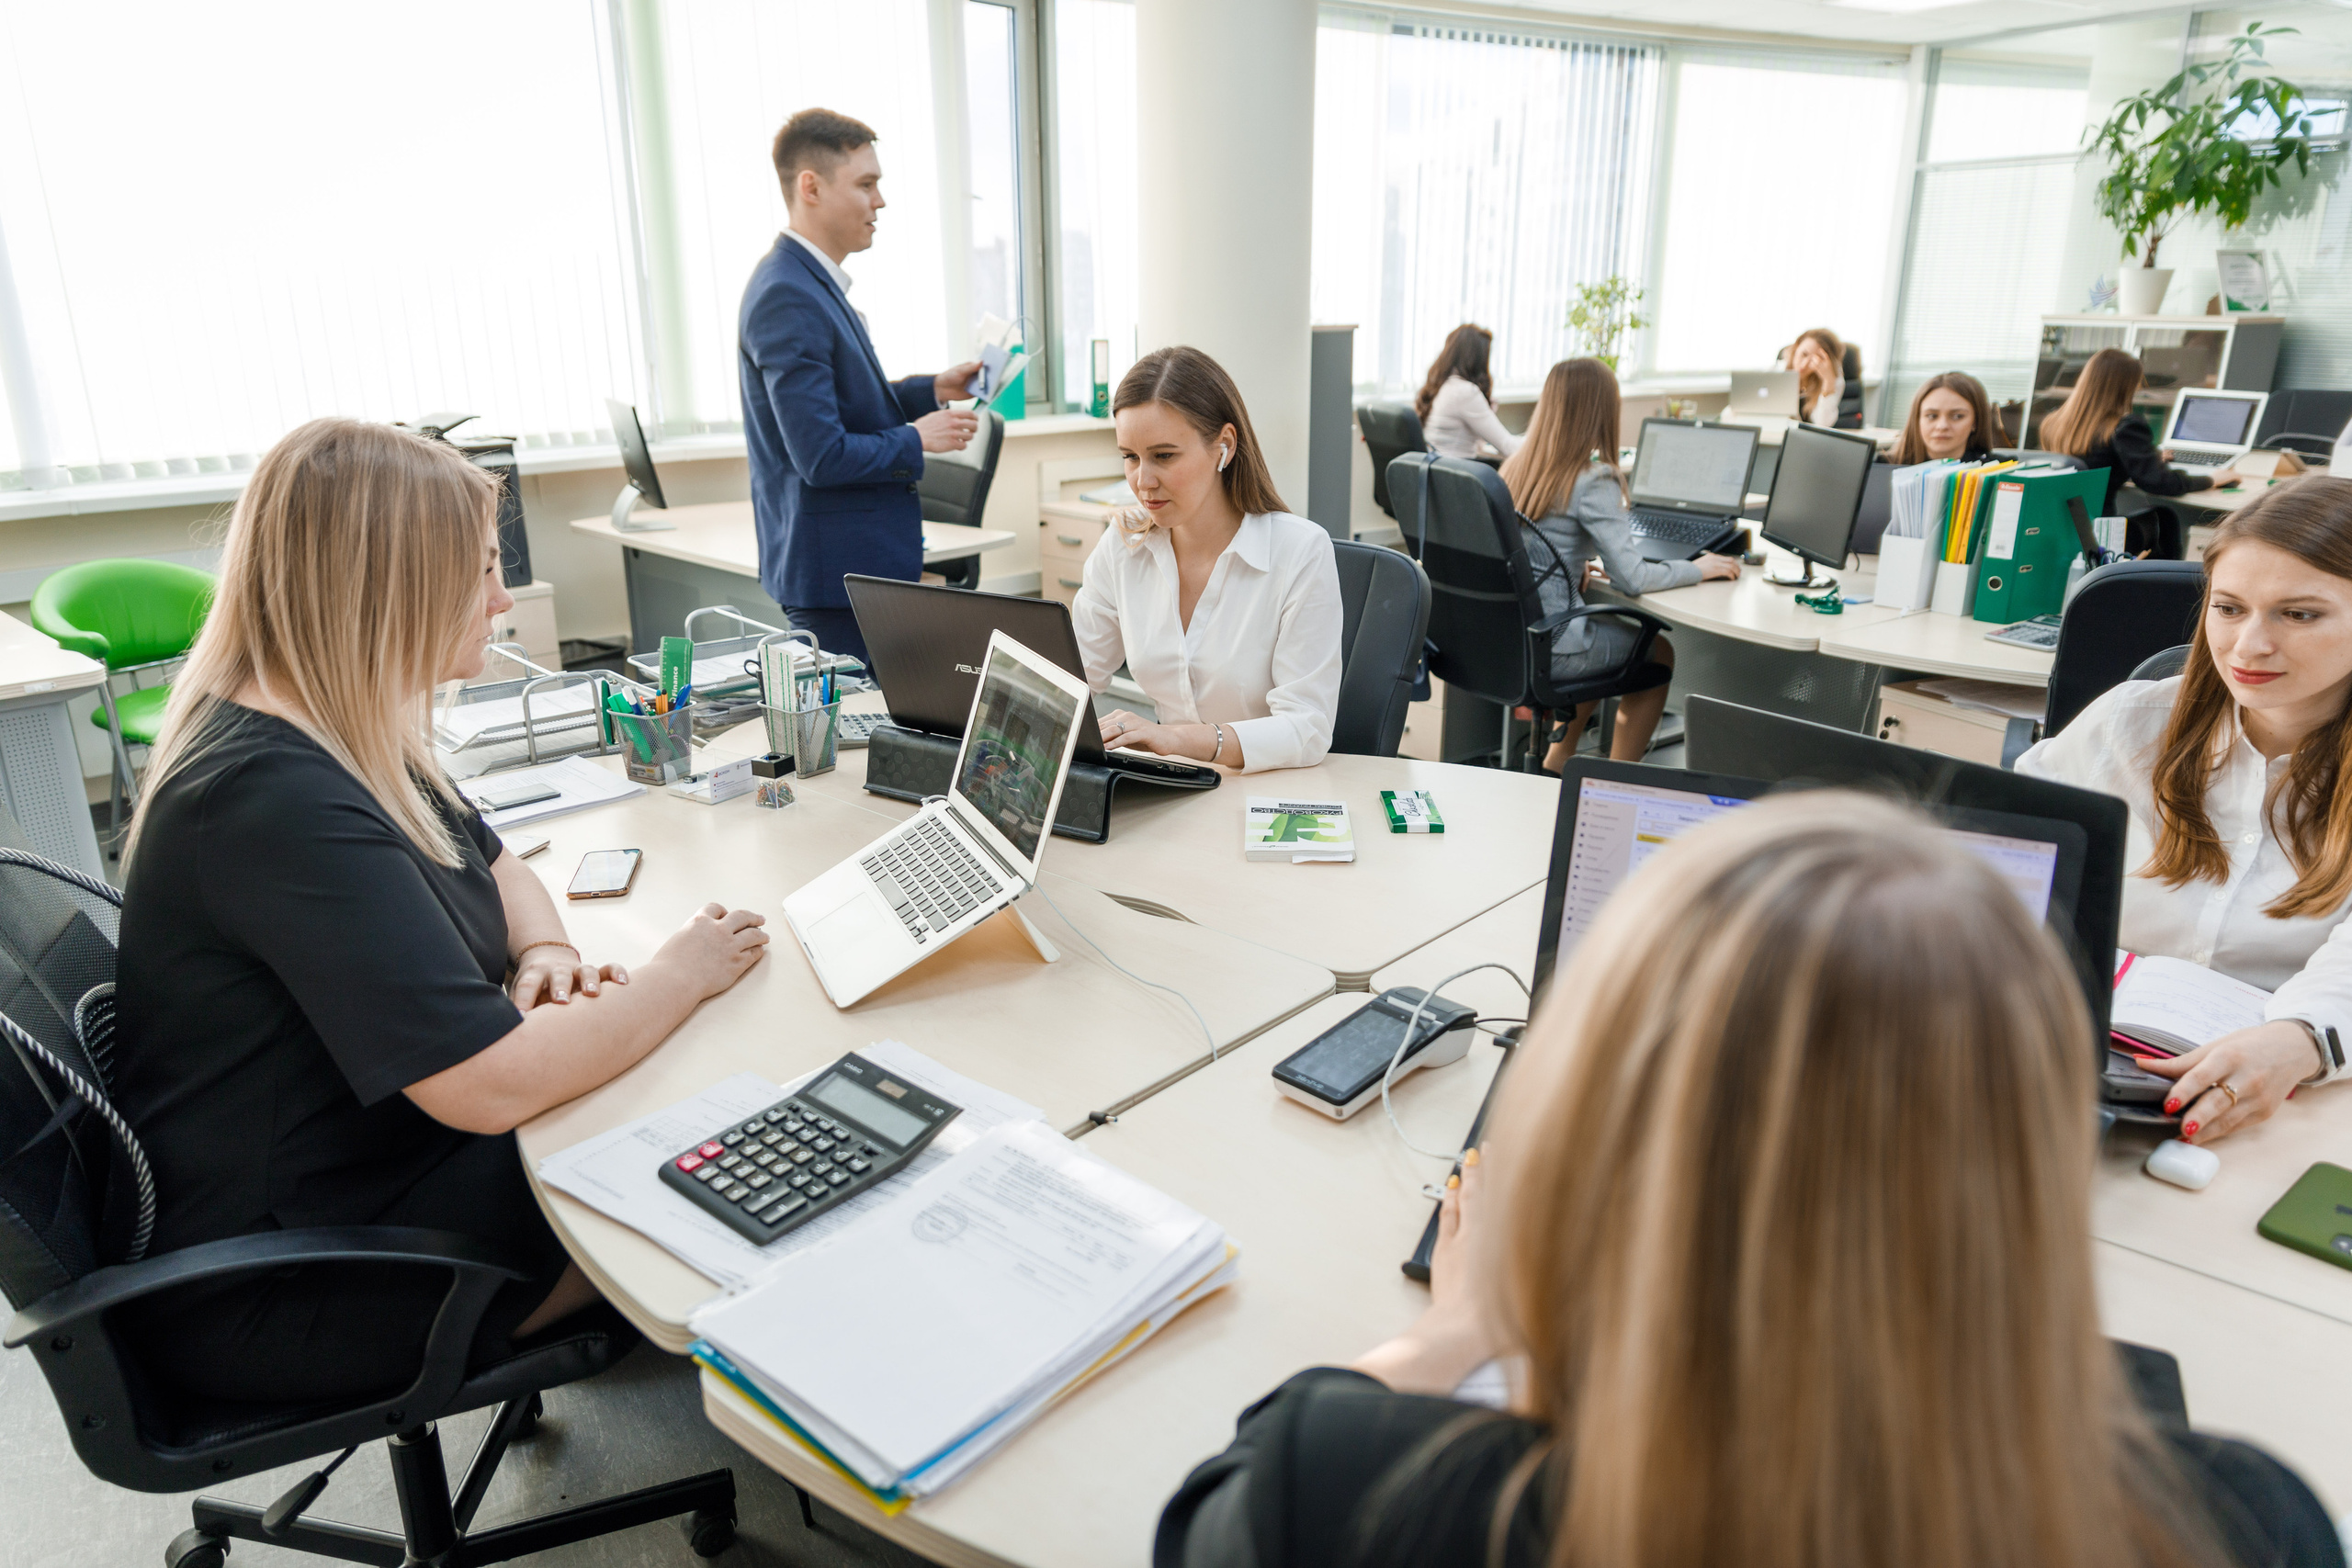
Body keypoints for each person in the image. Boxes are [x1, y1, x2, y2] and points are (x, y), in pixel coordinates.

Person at [1156, 793, 2342, 1568]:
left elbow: (1214, 1513)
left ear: (1585, 1100)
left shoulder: (1362, 1486)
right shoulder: (2246, 1523)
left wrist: (1455, 1330)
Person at [112, 419, 772, 1404]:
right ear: (386, 584)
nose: (502, 601)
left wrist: (543, 943)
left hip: (368, 1169)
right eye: (480, 571)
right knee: (741, 1167)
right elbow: (490, 1090)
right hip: (302, 1275)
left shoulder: (335, 722)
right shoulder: (267, 797)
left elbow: (496, 860)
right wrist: (683, 971)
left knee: (681, 1091)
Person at [2020, 481, 2352, 1145]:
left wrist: (2298, 1041)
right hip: (2069, 1066)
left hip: (2279, 1108)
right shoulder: (2130, 723)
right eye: (2229, 607)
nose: (2248, 646)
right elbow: (2008, 853)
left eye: (2299, 614)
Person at [739, 107, 983, 662]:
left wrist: (933, 390)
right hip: (837, 579)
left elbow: (843, 407)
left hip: (851, 571)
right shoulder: (789, 294)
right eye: (866, 184)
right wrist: (919, 438)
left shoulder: (809, 284)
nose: (881, 201)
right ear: (811, 187)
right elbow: (821, 455)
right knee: (857, 737)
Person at [1071, 346, 1342, 773]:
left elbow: (1307, 729)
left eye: (1164, 456)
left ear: (1224, 447)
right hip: (1171, 791)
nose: (1143, 481)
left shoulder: (1300, 552)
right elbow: (1070, 674)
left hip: (1266, 794)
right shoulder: (1124, 546)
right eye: (1130, 456)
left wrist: (1178, 739)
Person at [1498, 357, 1739, 771]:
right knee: (1657, 650)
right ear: (1601, 412)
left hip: (1513, 639)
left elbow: (1530, 550)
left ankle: (1558, 761)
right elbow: (1632, 578)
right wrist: (1700, 568)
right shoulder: (1593, 480)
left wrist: (1566, 569)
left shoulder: (1513, 470)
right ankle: (1615, 781)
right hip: (1555, 647)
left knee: (1601, 634)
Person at [2041, 347, 2241, 557]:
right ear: (2128, 386)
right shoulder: (2123, 426)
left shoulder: (2053, 423)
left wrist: (2149, 457)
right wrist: (2211, 479)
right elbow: (2157, 482)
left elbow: (2094, 459)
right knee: (2164, 518)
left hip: (2062, 527)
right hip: (2099, 532)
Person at [1415, 324, 1521, 460]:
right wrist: (1539, 440)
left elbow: (1475, 443)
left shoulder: (1440, 386)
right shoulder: (1465, 392)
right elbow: (1508, 447)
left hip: (1437, 473)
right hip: (1456, 476)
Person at [1889, 370, 2004, 465]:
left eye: (1957, 416)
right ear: (1917, 420)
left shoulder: (2002, 469)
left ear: (1976, 422)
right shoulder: (1881, 467)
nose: (1942, 426)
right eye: (1932, 416)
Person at [1785, 325, 1861, 429]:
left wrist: (1828, 382)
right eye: (1804, 354)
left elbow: (1822, 425)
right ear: (1796, 347)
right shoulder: (1780, 370)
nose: (1804, 365)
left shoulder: (1833, 381)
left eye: (1814, 361)